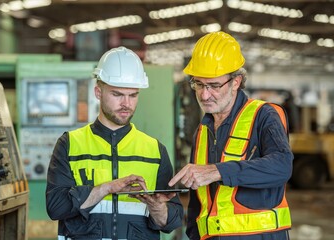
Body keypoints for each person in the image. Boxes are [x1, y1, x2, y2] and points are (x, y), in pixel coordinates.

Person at [46, 46, 184, 240]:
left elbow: (172, 222)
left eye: (133, 95)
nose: (126, 103)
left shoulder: (154, 150)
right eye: (117, 94)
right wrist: (106, 188)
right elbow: (56, 208)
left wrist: (157, 208)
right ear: (98, 92)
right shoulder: (70, 144)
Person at [169, 31, 293, 240]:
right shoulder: (202, 132)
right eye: (199, 84)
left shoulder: (264, 115)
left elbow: (282, 166)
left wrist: (218, 171)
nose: (204, 95)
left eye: (214, 85)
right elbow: (198, 206)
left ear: (236, 81)